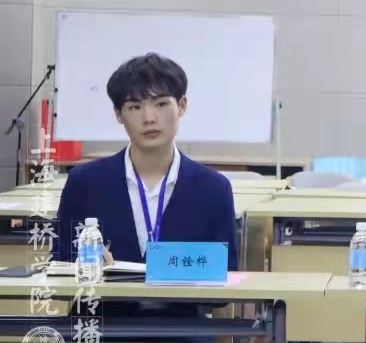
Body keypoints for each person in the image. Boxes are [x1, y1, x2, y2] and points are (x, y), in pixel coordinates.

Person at [54, 54, 238, 316]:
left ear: (182, 106)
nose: (149, 118)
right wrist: (83, 264)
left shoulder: (213, 188)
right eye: (134, 107)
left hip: (182, 327)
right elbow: (58, 266)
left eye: (161, 104)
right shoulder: (85, 182)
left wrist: (163, 265)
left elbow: (226, 280)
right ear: (118, 114)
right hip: (102, 323)